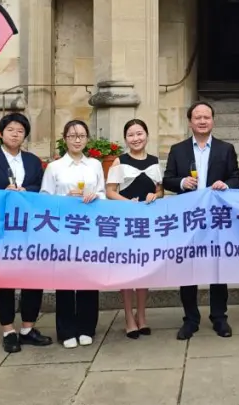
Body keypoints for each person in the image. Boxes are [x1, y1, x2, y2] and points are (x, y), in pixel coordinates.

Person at [162, 101, 239, 340]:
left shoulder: (225, 149)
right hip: (189, 219)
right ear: (190, 122)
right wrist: (181, 182)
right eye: (198, 117)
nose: (202, 121)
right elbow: (167, 179)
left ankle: (219, 318)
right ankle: (190, 319)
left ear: (213, 121)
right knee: (188, 270)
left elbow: (236, 178)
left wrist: (225, 184)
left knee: (218, 269)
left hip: (216, 219)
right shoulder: (178, 150)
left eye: (207, 117)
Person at [0, 113, 53, 352]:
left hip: (30, 228)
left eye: (20, 131)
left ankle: (28, 328)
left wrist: (25, 190)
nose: (15, 134)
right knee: (4, 280)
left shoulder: (32, 161)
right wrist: (3, 193)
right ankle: (8, 330)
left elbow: (40, 187)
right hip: (2, 229)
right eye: (10, 129)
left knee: (33, 278)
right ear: (1, 133)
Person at [42, 119, 104, 348]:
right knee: (65, 280)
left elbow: (102, 193)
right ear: (65, 139)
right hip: (64, 229)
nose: (77, 140)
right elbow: (45, 197)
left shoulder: (95, 165)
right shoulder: (54, 167)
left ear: (87, 139)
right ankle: (66, 330)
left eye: (81, 136)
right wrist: (64, 199)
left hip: (89, 228)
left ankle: (87, 327)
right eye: (72, 136)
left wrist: (95, 196)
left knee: (88, 278)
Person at [106, 118, 162, 339]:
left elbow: (160, 190)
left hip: (147, 222)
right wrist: (128, 203)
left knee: (144, 269)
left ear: (146, 135)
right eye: (131, 135)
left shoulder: (155, 161)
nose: (136, 138)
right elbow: (110, 191)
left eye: (139, 133)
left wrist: (155, 195)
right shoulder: (119, 161)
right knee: (127, 270)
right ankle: (129, 316)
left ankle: (142, 315)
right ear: (125, 138)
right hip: (126, 220)